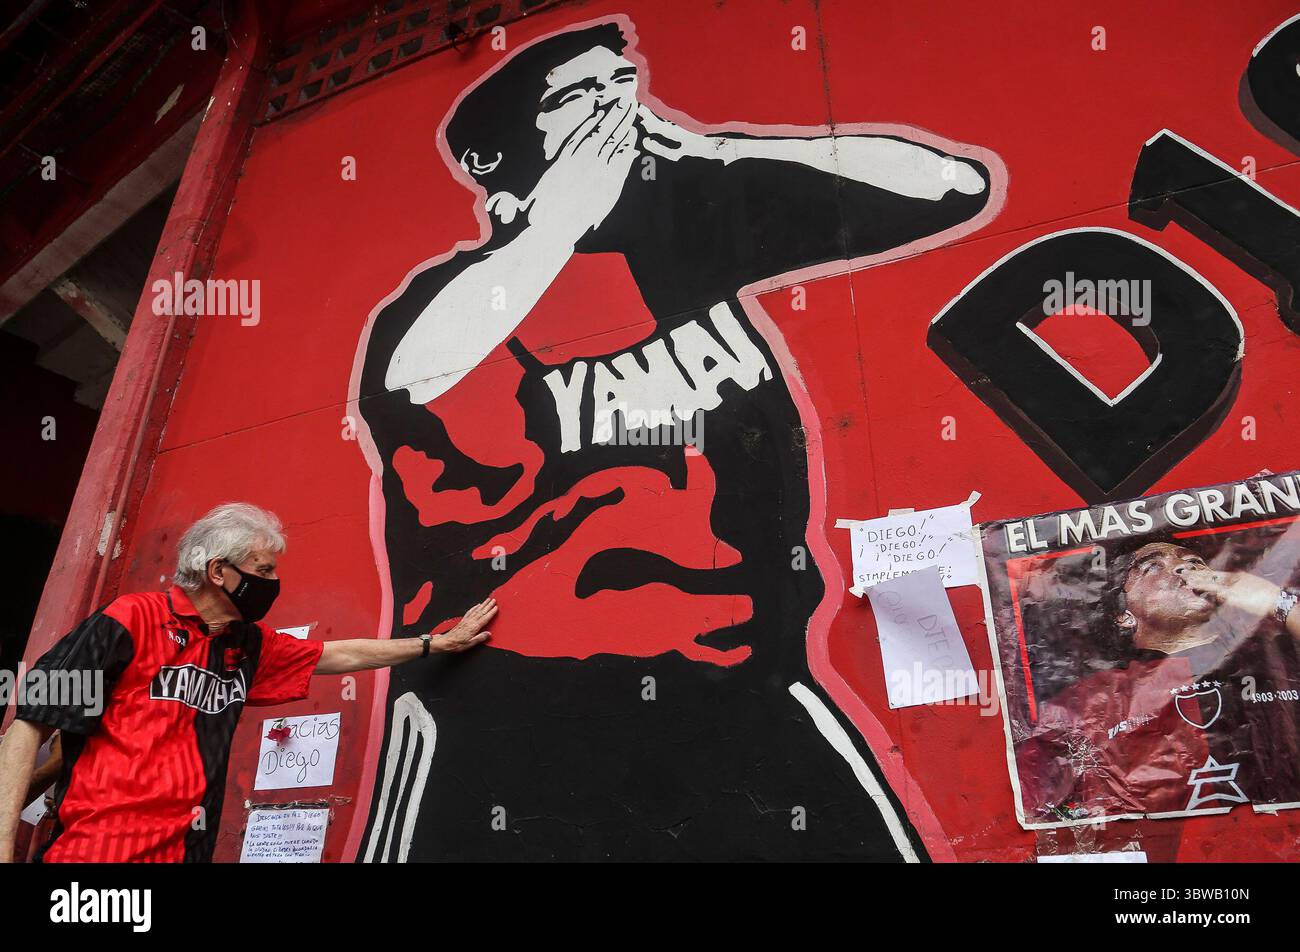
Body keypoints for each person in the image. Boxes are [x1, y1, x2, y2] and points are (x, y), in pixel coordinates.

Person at [352, 18, 1001, 860]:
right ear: (495, 161)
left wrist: (713, 153)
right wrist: (559, 220)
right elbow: (418, 376)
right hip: (508, 721)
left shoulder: (694, 252)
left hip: (749, 685)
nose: (615, 108)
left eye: (620, 84)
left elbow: (950, 187)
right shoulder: (446, 301)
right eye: (579, 96)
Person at [0, 502, 495, 862]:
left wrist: (435, 643)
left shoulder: (244, 644)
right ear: (219, 571)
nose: (273, 582)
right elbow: (30, 723)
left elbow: (335, 653)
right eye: (263, 570)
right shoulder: (130, 620)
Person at [1018, 540, 1300, 821]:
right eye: (1152, 566)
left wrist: (1275, 600)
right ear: (1123, 616)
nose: (1183, 568)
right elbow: (1038, 810)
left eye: (1195, 563)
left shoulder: (1277, 653)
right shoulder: (1090, 700)